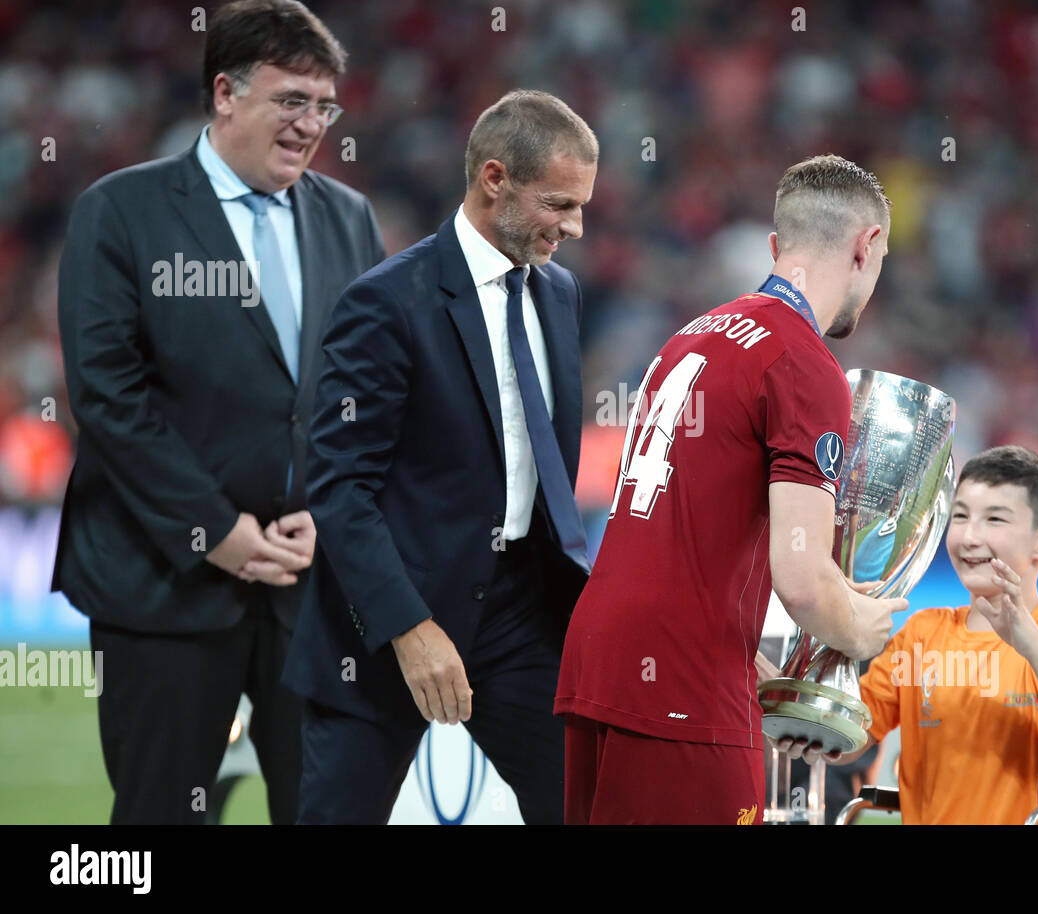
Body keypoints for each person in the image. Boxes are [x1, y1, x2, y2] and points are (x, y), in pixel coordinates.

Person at [53, 0, 385, 824]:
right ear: (226, 93)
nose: (312, 124)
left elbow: (368, 391)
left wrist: (328, 512)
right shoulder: (120, 212)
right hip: (162, 590)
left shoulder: (349, 219)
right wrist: (215, 531)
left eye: (324, 104)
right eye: (291, 100)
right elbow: (108, 396)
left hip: (309, 594)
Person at [554, 154, 908, 825]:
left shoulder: (690, 337)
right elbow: (803, 583)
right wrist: (861, 628)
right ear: (867, 248)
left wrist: (762, 681)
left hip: (600, 664)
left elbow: (675, 540)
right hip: (681, 689)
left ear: (778, 249)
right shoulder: (803, 362)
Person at [283, 90, 597, 825]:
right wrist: (409, 628)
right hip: (388, 622)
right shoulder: (387, 304)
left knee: (583, 807)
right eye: (559, 204)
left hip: (521, 614)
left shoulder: (558, 293)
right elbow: (337, 487)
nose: (576, 227)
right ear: (495, 178)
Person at [787, 445, 1038, 824]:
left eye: (994, 520)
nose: (970, 536)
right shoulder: (922, 634)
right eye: (960, 516)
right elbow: (850, 740)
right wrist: (805, 705)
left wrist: (1032, 645)